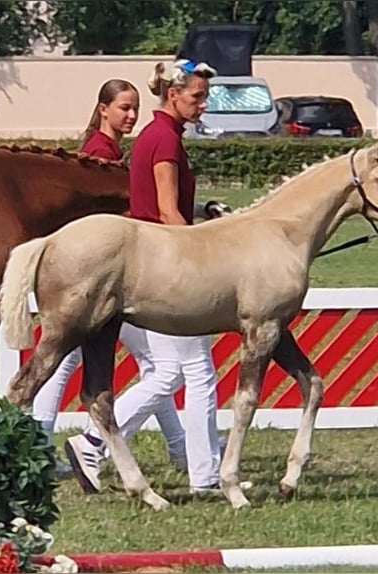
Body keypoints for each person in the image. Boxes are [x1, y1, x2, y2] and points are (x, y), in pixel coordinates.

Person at [69, 58, 234, 494]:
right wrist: (208, 254)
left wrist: (205, 215)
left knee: (175, 372)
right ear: (173, 95)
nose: (203, 104)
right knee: (188, 373)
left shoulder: (158, 136)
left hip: (151, 261)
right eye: (197, 97)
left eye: (205, 96)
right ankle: (99, 443)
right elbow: (164, 211)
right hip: (165, 266)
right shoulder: (164, 140)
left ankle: (199, 470)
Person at [30, 79, 189, 491]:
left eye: (135, 108)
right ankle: (68, 446)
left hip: (111, 275)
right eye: (123, 108)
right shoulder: (100, 155)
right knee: (158, 367)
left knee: (75, 364)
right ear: (103, 109)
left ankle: (178, 446)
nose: (131, 115)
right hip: (107, 278)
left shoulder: (111, 152)